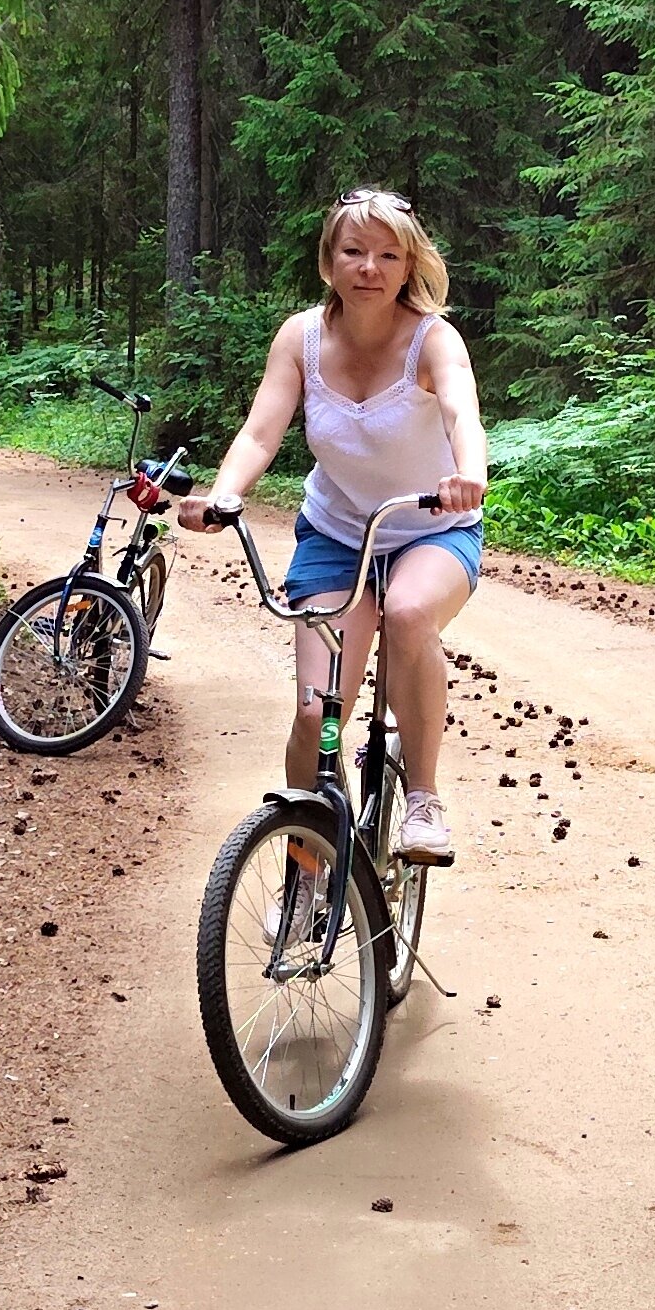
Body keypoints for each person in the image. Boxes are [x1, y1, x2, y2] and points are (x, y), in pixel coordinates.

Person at [184, 187, 486, 861]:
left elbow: (461, 410)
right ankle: (308, 870)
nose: (369, 268)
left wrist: (468, 472)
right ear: (329, 262)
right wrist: (223, 495)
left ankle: (423, 797)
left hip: (431, 528)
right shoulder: (301, 338)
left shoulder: (434, 339)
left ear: (409, 267)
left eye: (388, 255)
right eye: (353, 251)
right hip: (337, 534)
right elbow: (261, 432)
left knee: (408, 612)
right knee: (316, 712)